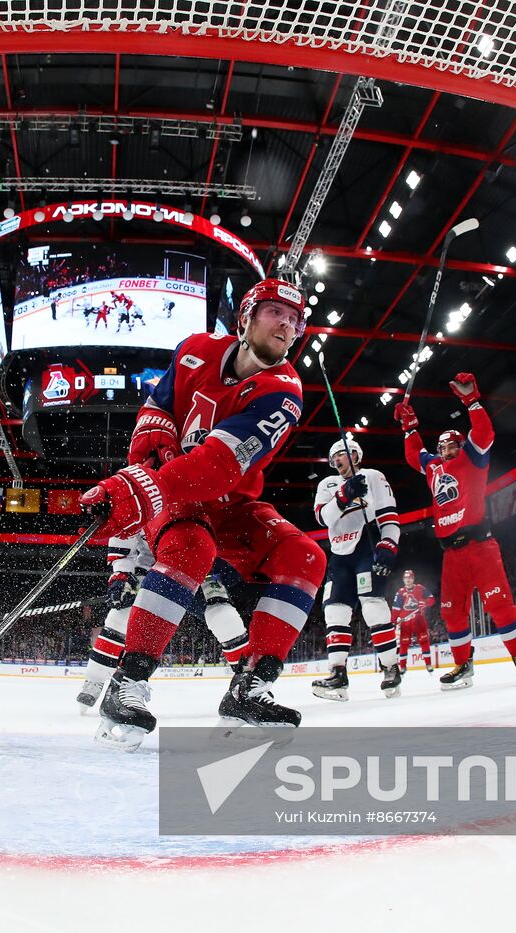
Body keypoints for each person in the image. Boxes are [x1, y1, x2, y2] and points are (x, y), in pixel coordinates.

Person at [79, 278, 327, 750]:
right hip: (177, 495)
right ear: (248, 315)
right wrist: (148, 458)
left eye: (295, 320)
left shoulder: (284, 391)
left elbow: (217, 466)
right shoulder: (194, 348)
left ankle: (250, 686)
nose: (288, 325)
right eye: (277, 312)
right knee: (191, 546)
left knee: (306, 556)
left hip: (228, 500)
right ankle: (125, 685)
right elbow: (157, 411)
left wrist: (142, 486)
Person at [394, 373, 516, 690]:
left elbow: (484, 432)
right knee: (452, 613)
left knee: (499, 604)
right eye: (442, 446)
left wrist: (471, 401)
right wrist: (410, 429)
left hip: (480, 546)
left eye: (451, 445)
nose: (445, 450)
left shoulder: (473, 457)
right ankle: (462, 665)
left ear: (460, 445)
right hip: (452, 555)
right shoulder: (433, 468)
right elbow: (413, 454)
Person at [74, 531, 250, 712]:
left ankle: (249, 683)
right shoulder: (148, 504)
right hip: (154, 567)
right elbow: (126, 528)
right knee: (120, 616)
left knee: (224, 616)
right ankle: (94, 680)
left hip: (199, 564)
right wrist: (122, 573)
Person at [309, 437, 403, 701]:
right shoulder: (327, 484)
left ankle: (390, 668)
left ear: (356, 455)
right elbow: (323, 517)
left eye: (343, 454)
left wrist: (388, 545)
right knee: (334, 610)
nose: (338, 459)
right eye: (334, 456)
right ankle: (338, 674)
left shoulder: (373, 477)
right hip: (339, 554)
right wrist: (344, 494)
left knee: (373, 606)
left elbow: (390, 517)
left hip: (365, 546)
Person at [393, 569, 437, 673]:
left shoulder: (420, 588)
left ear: (413, 579)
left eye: (410, 578)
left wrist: (425, 602)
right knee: (404, 644)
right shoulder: (400, 592)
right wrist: (393, 621)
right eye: (406, 578)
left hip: (419, 620)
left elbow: (431, 599)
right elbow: (396, 608)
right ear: (403, 580)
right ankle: (403, 666)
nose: (408, 580)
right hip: (405, 622)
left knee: (424, 641)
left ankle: (428, 664)